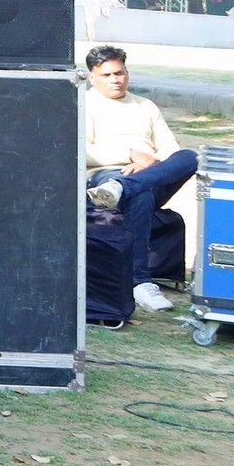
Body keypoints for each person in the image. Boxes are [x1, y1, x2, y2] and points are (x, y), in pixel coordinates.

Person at [82, 46, 195, 314]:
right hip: (105, 176)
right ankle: (140, 282)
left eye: (119, 73)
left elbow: (170, 151)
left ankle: (123, 188)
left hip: (147, 175)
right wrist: (129, 154)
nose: (115, 79)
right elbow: (81, 151)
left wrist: (147, 165)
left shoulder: (145, 106)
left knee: (190, 157)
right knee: (140, 196)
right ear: (92, 77)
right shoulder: (84, 104)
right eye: (107, 75)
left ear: (127, 73)